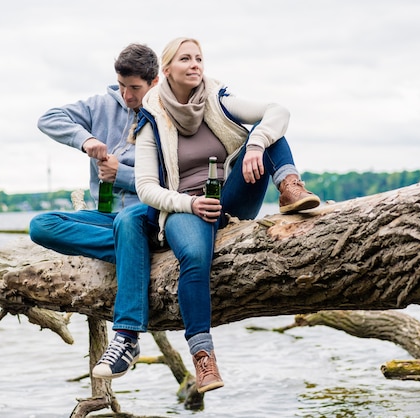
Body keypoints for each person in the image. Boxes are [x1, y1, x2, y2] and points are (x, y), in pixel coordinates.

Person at [91, 37, 320, 394]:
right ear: (166, 70)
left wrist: (256, 142)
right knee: (196, 258)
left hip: (231, 197)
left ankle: (291, 188)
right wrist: (190, 205)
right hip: (184, 208)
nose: (195, 64)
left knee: (269, 132)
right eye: (186, 58)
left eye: (199, 57)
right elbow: (147, 188)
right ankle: (203, 357)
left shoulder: (218, 99)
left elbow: (279, 110)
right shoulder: (152, 119)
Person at [28, 43, 159, 263]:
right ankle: (132, 246)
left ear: (154, 82)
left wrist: (121, 174)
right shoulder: (100, 106)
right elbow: (48, 119)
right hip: (104, 217)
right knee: (40, 226)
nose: (126, 95)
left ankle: (129, 244)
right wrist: (85, 139)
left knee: (129, 225)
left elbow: (168, 183)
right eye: (121, 85)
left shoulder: (166, 115)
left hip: (144, 215)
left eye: (134, 88)